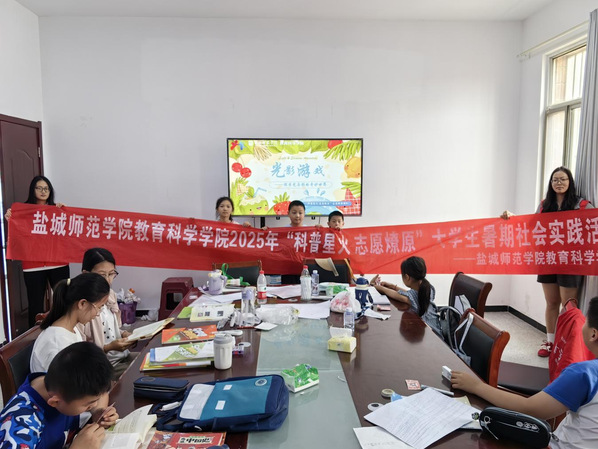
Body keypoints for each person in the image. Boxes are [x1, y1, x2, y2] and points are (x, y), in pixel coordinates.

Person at [451, 296, 598, 449]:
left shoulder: (583, 374)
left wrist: (476, 386)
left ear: (593, 334)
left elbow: (530, 408)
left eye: (586, 321)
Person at [501, 166, 593, 357]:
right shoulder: (545, 205)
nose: (559, 183)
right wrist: (512, 218)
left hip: (571, 261)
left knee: (569, 306)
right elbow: (530, 225)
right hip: (548, 259)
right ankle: (551, 342)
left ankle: (568, 345)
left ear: (570, 182)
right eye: (555, 180)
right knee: (551, 303)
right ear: (551, 183)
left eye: (563, 179)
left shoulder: (582, 205)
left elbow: (594, 224)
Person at [0, 341, 118, 449]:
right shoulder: (19, 427)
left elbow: (101, 393)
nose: (94, 405)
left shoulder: (65, 383)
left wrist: (98, 412)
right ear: (55, 402)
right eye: (88, 404)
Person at [4, 175, 70, 328]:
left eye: (46, 188)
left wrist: (66, 213)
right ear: (32, 190)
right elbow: (18, 235)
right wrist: (11, 218)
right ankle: (35, 337)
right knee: (35, 305)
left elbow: (69, 232)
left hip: (58, 262)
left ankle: (65, 332)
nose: (43, 191)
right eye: (39, 188)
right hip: (33, 265)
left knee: (64, 301)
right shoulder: (22, 211)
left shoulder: (57, 209)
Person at [30, 272, 111, 373]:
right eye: (99, 307)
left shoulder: (71, 329)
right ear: (82, 303)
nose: (98, 314)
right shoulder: (57, 343)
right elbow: (63, 382)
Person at [80, 248, 137, 380]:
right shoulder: (82, 305)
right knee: (144, 372)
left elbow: (111, 329)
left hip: (123, 356)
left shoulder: (110, 295)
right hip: (104, 367)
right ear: (86, 274)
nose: (108, 280)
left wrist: (124, 334)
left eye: (111, 274)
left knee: (151, 358)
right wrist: (108, 347)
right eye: (102, 275)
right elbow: (81, 349)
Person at [371, 256, 442, 336]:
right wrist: (393, 286)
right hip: (437, 331)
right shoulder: (428, 288)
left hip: (433, 336)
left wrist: (373, 285)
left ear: (407, 277)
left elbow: (388, 292)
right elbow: (409, 294)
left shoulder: (410, 297)